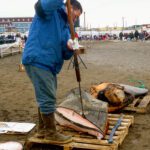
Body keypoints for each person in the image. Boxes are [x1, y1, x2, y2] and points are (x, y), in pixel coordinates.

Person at [22, 0, 82, 143]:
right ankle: (50, 133)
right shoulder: (51, 11)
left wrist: (70, 47)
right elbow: (41, 6)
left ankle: (43, 130)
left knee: (46, 94)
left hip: (50, 64)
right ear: (69, 7)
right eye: (75, 15)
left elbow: (65, 54)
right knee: (48, 96)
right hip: (38, 58)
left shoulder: (66, 28)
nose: (75, 19)